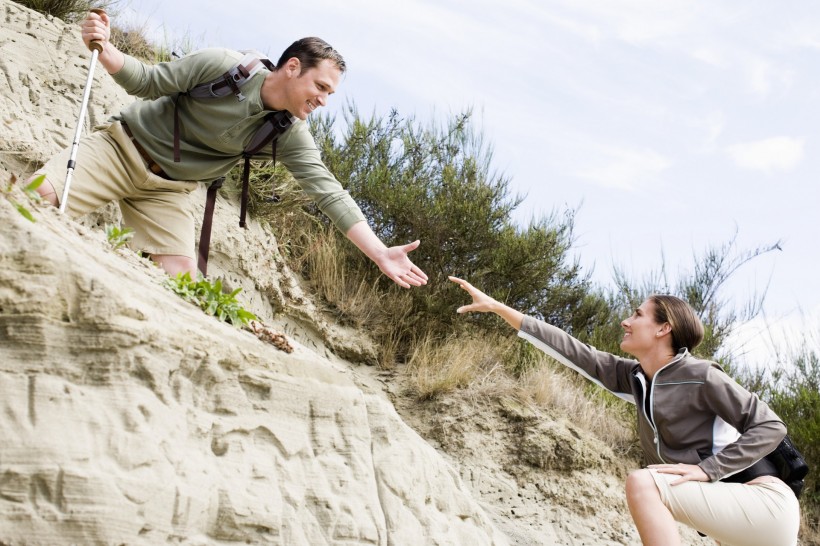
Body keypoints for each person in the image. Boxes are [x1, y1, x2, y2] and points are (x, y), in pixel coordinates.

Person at [31, 11, 428, 289]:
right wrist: (105, 47)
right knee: (33, 201)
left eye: (330, 93)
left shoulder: (288, 130)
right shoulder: (223, 66)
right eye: (320, 87)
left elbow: (328, 192)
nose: (324, 100)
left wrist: (379, 253)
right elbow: (149, 82)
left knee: (184, 284)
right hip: (122, 151)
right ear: (292, 67)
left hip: (169, 191)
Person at [448, 276, 800, 546]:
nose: (626, 322)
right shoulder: (635, 378)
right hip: (729, 520)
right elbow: (574, 351)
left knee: (643, 483)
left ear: (664, 328)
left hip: (764, 502)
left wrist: (708, 470)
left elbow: (771, 427)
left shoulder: (701, 375)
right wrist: (499, 308)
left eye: (637, 315)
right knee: (648, 482)